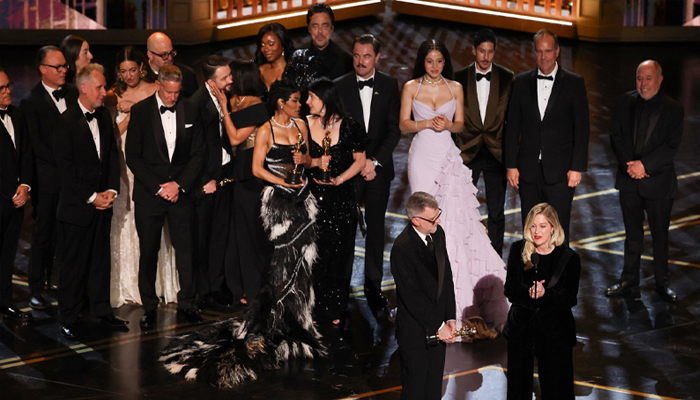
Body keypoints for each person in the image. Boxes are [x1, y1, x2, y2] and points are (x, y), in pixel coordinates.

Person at [160, 79, 324, 388]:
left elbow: (309, 161)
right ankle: (277, 319)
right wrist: (282, 183)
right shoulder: (266, 130)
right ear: (281, 103)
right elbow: (257, 169)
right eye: (295, 100)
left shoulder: (302, 125)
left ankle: (299, 317)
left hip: (303, 200)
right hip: (278, 201)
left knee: (302, 261)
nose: (300, 104)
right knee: (280, 261)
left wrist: (307, 162)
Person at [400, 39, 507, 335]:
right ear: (422, 62)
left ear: (445, 62)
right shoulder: (411, 87)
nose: (434, 66)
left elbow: (460, 124)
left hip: (447, 156)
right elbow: (403, 124)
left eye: (439, 61)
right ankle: (426, 293)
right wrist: (425, 124)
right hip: (422, 157)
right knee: (425, 222)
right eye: (429, 61)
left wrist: (446, 125)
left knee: (453, 223)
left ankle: (456, 298)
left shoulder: (455, 87)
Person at [125, 65, 205, 329]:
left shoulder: (191, 109)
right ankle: (149, 306)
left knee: (186, 250)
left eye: (177, 92)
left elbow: (198, 154)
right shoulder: (140, 111)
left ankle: (187, 303)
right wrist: (159, 187)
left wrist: (179, 185)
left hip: (181, 194)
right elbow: (133, 156)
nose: (173, 97)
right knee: (149, 251)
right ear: (159, 85)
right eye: (169, 92)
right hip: (150, 195)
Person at [52, 64, 127, 339]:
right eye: (99, 87)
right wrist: (92, 197)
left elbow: (111, 157)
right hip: (77, 209)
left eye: (104, 86)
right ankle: (68, 318)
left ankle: (102, 311)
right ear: (83, 88)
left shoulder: (104, 116)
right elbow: (65, 169)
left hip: (103, 204)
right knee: (73, 266)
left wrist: (111, 190)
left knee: (100, 262)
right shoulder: (65, 122)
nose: (104, 92)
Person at [105, 46, 178, 308]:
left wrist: (135, 107)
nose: (128, 76)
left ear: (142, 67)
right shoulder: (112, 95)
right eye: (123, 71)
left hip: (152, 166)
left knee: (156, 229)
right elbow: (110, 135)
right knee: (127, 222)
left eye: (133, 70)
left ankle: (161, 285)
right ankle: (129, 283)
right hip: (125, 164)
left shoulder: (154, 89)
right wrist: (129, 116)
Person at [334, 34, 400, 321]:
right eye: (357, 56)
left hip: (378, 170)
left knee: (375, 229)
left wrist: (373, 162)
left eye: (367, 56)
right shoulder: (340, 86)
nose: (360, 61)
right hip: (350, 171)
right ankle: (341, 286)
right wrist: (357, 162)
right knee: (345, 228)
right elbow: (336, 131)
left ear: (377, 58)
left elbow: (393, 130)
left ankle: (373, 286)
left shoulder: (389, 85)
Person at [605, 60, 684, 303]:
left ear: (660, 80)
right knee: (632, 235)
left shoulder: (674, 109)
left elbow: (670, 146)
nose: (643, 83)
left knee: (660, 237)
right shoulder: (623, 102)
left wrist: (645, 166)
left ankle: (662, 284)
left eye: (648, 78)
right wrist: (629, 166)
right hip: (629, 180)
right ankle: (629, 280)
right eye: (639, 78)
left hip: (658, 183)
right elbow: (615, 136)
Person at [504, 29, 590, 243]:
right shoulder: (521, 82)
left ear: (557, 51)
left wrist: (576, 167)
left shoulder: (574, 83)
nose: (544, 56)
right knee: (531, 230)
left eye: (548, 51)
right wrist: (511, 165)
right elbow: (512, 126)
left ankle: (558, 268)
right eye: (539, 51)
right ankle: (532, 266)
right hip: (528, 171)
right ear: (535, 52)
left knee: (558, 231)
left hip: (561, 172)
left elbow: (581, 129)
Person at [305, 77, 368, 325]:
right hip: (311, 200)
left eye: (312, 97)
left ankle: (335, 308)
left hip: (340, 200)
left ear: (325, 99)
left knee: (339, 254)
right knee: (314, 254)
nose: (307, 101)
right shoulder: (304, 124)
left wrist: (340, 179)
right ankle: (313, 306)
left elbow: (360, 161)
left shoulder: (350, 125)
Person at [21, 46, 79, 310]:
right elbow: (37, 145)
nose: (64, 70)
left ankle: (62, 282)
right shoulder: (30, 102)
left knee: (69, 234)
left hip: (73, 181)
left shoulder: (74, 93)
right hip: (48, 182)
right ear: (43, 69)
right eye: (58, 67)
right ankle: (36, 288)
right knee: (43, 235)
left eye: (65, 66)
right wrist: (66, 162)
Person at [503, 203, 581, 400]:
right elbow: (510, 289)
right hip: (522, 329)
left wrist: (545, 294)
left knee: (557, 390)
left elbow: (569, 298)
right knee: (518, 389)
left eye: (543, 226)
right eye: (533, 226)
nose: (537, 231)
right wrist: (529, 293)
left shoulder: (569, 258)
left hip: (555, 331)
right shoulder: (518, 250)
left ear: (553, 227)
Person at [453, 28, 514, 256]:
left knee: (496, 212)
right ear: (473, 51)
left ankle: (496, 258)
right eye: (481, 51)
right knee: (463, 210)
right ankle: (465, 256)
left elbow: (512, 120)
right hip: (467, 151)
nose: (486, 57)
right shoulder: (459, 78)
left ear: (494, 52)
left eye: (490, 52)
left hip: (496, 152)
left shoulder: (507, 77)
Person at [391, 191, 456, 400]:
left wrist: (450, 316)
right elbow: (412, 296)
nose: (438, 221)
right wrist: (438, 324)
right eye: (433, 219)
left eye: (438, 215)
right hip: (416, 332)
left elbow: (446, 277)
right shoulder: (402, 248)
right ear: (416, 220)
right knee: (416, 390)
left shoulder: (438, 234)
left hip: (439, 326)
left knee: (433, 388)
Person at [215, 59, 270, 306]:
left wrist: (224, 108)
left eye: (231, 76)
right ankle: (239, 288)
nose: (228, 80)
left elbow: (236, 138)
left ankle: (256, 288)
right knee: (236, 236)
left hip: (252, 177)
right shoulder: (234, 100)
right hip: (234, 174)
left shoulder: (258, 106)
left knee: (252, 234)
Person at [189, 55, 235, 308]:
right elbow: (195, 148)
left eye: (229, 75)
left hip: (224, 173)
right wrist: (204, 180)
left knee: (220, 235)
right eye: (225, 77)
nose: (231, 80)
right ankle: (202, 291)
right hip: (207, 181)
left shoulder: (224, 97)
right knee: (203, 238)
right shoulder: (197, 103)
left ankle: (217, 287)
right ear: (210, 82)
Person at [0, 67, 34, 322]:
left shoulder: (18, 115)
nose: (7, 91)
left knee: (8, 254)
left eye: (8, 85)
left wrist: (25, 186)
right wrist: (9, 193)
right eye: (1, 88)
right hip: (2, 198)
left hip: (16, 201)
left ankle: (4, 303)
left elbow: (25, 154)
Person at [296, 3, 353, 80]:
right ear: (309, 29)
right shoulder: (297, 57)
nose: (320, 31)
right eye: (315, 26)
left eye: (325, 26)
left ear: (332, 29)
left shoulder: (346, 60)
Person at [145, 32, 198, 98]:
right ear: (150, 55)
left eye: (171, 53)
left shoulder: (187, 74)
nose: (170, 58)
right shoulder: (141, 77)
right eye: (164, 55)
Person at [255, 23, 295, 90]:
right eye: (262, 45)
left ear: (283, 44)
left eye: (271, 44)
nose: (266, 49)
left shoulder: (295, 70)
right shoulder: (260, 71)